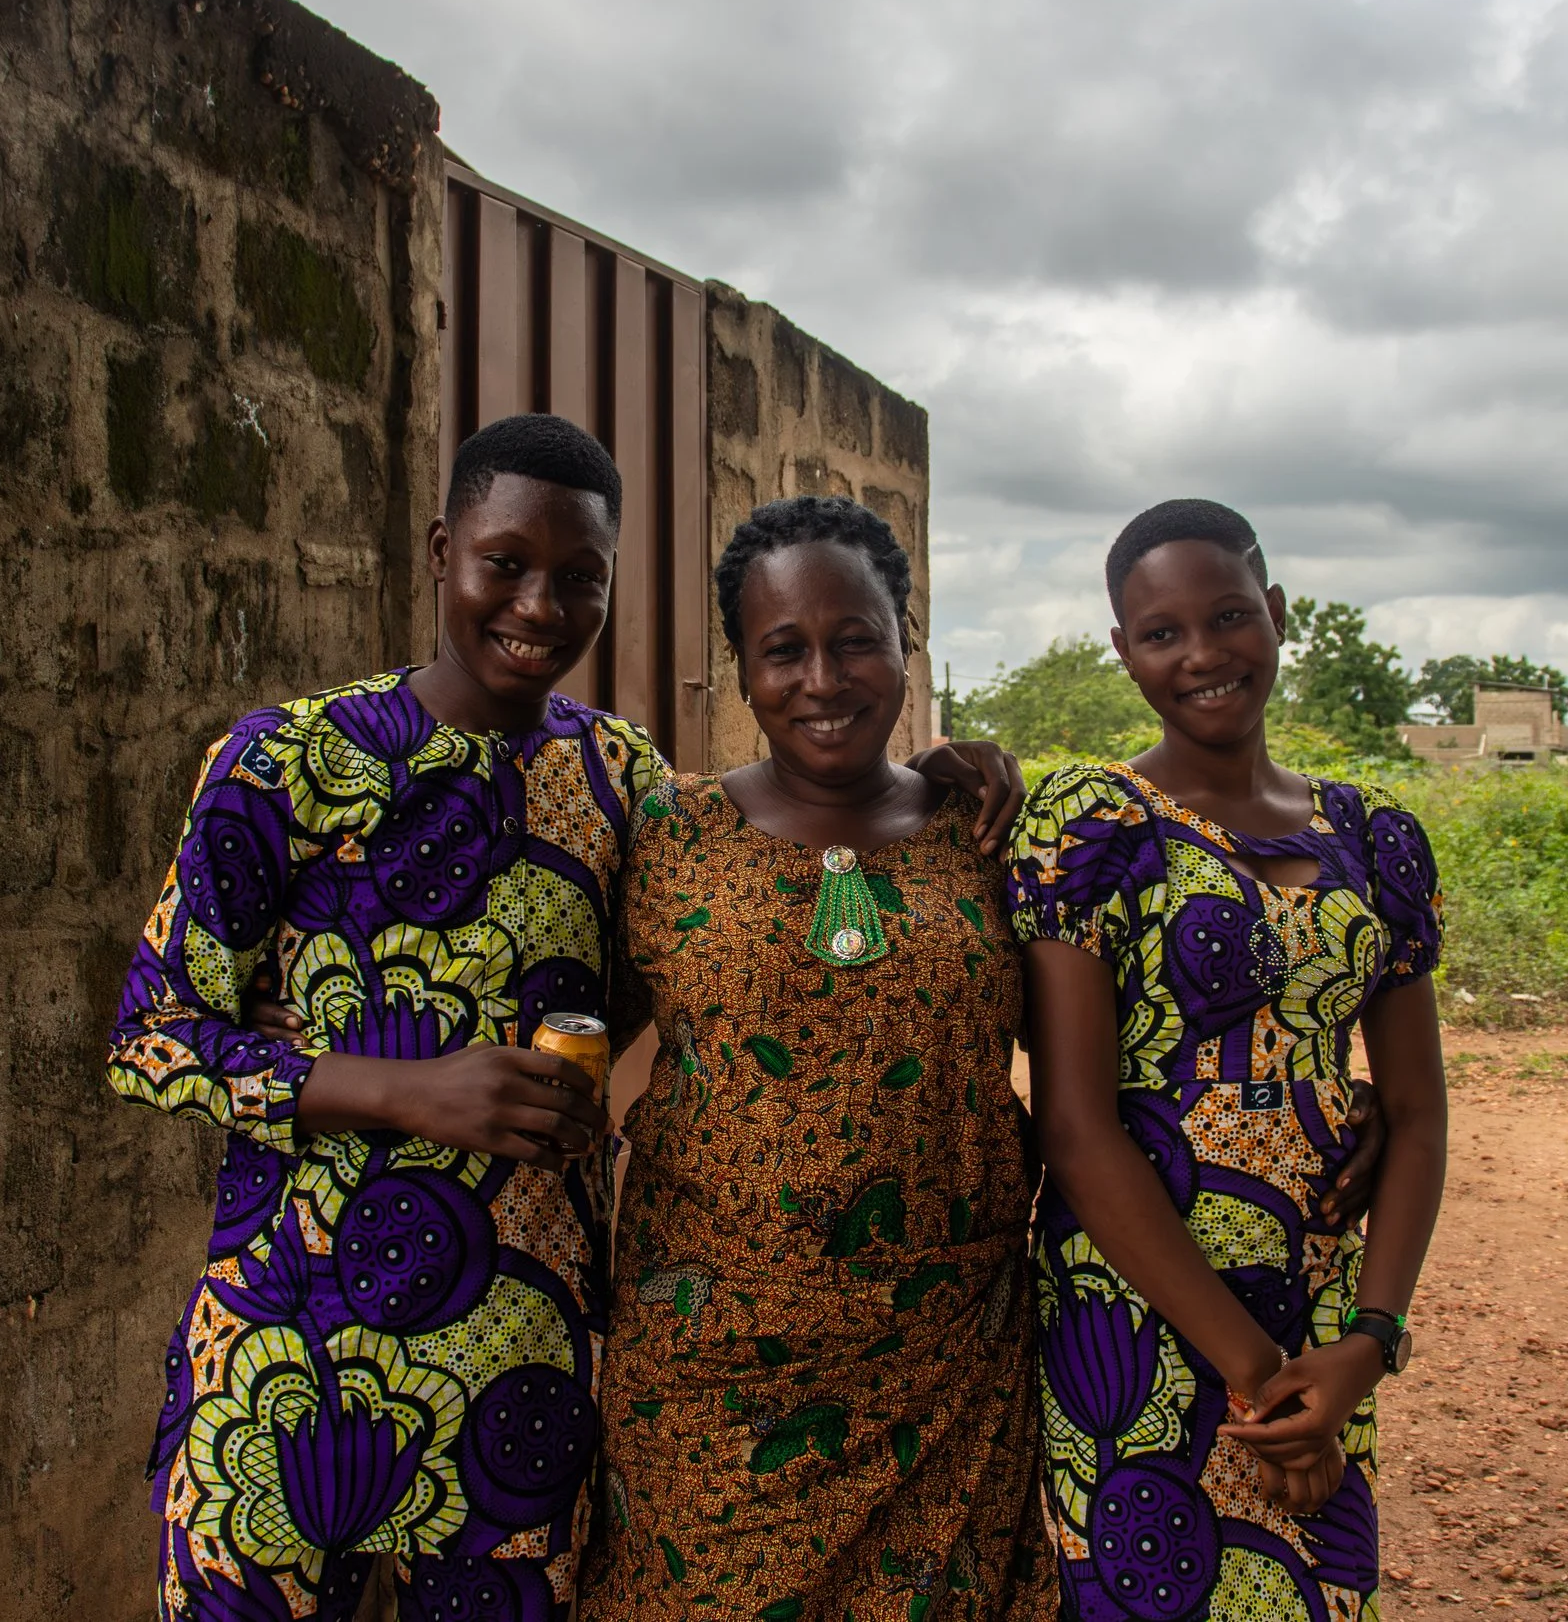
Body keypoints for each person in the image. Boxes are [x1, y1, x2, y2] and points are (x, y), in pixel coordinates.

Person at [122, 414, 1027, 1622]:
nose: (539, 604)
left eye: (579, 578)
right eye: (505, 562)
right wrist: (396, 1086)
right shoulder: (284, 760)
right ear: (445, 548)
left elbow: (746, 910)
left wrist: (944, 772)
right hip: (290, 1346)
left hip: (524, 1366)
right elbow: (153, 1035)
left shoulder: (623, 783)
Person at [578, 498, 1056, 1622]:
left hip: (947, 1361)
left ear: (906, 642)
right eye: (782, 649)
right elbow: (566, 1030)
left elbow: (1110, 1045)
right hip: (709, 1368)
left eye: (855, 639)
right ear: (742, 670)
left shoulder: (986, 834)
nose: (823, 678)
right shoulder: (668, 834)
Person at [1007, 499, 1449, 1621]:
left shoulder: (1374, 835)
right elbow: (1074, 1123)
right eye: (1161, 633)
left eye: (1228, 616)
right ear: (1123, 652)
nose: (1202, 654)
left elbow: (1414, 1108)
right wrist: (1251, 1370)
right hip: (1138, 1318)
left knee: (1313, 1589)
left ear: (1280, 614)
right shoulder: (1090, 824)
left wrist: (1366, 1341)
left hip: (1317, 1322)